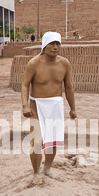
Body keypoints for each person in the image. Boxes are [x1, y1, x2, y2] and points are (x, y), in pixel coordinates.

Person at [21, 31, 77, 185]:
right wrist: (25, 105)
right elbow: (25, 84)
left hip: (56, 106)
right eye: (51, 44)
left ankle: (47, 168)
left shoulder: (64, 63)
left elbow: (69, 87)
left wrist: (73, 108)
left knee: (52, 140)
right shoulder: (34, 63)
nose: (55, 47)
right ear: (44, 45)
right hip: (36, 106)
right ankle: (36, 172)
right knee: (38, 141)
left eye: (57, 43)